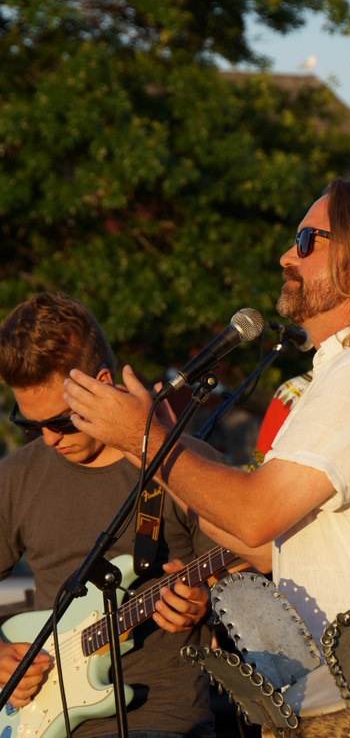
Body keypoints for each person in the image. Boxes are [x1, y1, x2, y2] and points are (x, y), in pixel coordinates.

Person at [62, 176, 350, 724]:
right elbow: (266, 545)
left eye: (307, 240)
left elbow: (254, 513)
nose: (286, 255)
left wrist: (144, 440)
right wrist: (149, 447)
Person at [0, 292, 234, 738]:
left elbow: (246, 580)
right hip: (41, 721)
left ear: (102, 382)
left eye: (61, 421)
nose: (48, 439)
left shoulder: (187, 467)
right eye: (30, 424)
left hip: (163, 718)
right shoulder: (15, 478)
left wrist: (206, 607)